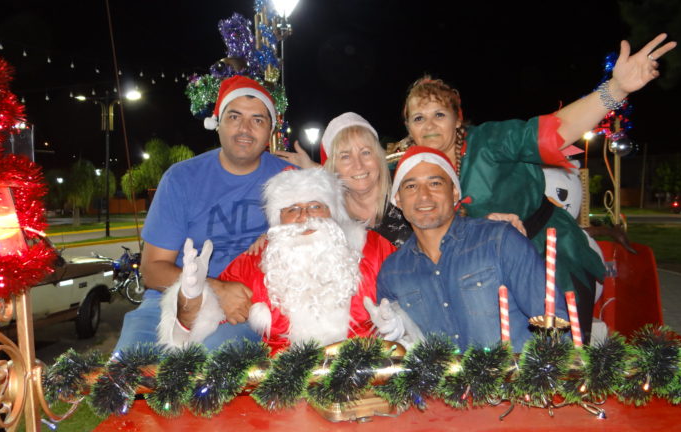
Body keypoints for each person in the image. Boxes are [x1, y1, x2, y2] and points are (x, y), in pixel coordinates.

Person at [396, 34, 676, 341]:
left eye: (440, 115)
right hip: (483, 279)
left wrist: (616, 89)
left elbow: (556, 130)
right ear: (409, 127)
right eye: (419, 118)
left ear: (457, 120)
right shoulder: (415, 172)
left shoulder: (492, 141)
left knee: (561, 352)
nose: (430, 126)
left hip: (549, 257)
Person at [113, 75, 293, 354]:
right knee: (128, 368)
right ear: (217, 123)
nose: (245, 128)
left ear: (270, 129)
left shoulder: (289, 178)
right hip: (171, 298)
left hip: (249, 305)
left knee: (212, 368)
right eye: (234, 117)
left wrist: (319, 174)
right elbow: (153, 270)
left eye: (258, 120)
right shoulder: (181, 179)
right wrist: (217, 290)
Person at [157, 168, 396, 354]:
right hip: (284, 386)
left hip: (369, 373)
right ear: (278, 219)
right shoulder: (254, 263)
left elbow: (411, 295)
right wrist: (191, 297)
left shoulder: (372, 248)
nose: (304, 217)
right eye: (292, 209)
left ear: (332, 212)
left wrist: (399, 325)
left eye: (315, 206)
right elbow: (194, 333)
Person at [374, 146, 568, 352]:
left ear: (455, 192)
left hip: (515, 382)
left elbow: (554, 323)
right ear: (398, 200)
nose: (424, 195)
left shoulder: (499, 241)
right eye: (411, 186)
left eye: (435, 183)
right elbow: (402, 349)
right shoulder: (392, 273)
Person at [275, 112, 524, 247]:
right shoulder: (329, 217)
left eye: (366, 152)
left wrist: (488, 226)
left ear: (379, 157)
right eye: (345, 156)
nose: (359, 165)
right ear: (332, 166)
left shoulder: (407, 193)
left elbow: (451, 223)